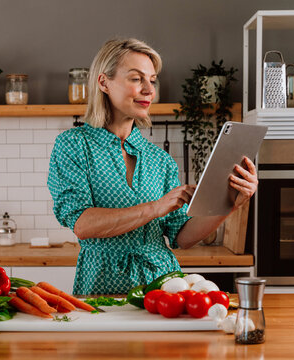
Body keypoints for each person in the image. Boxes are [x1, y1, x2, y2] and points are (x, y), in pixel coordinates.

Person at [48, 38, 258, 295]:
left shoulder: (160, 160)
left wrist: (230, 204)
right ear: (104, 82)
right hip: (101, 283)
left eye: (152, 80)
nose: (149, 90)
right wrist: (156, 207)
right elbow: (82, 223)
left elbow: (183, 237)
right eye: (136, 79)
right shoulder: (74, 145)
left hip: (163, 286)